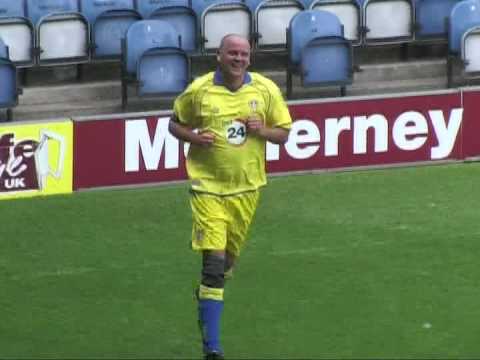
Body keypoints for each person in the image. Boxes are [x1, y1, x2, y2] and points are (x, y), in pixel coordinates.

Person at [169, 33, 292, 360]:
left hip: (247, 190)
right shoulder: (200, 90)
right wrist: (195, 137)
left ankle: (207, 297)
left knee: (227, 265)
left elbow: (283, 134)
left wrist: (261, 131)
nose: (238, 58)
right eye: (232, 53)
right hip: (207, 189)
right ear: (219, 56)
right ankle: (213, 347)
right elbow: (174, 125)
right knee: (213, 265)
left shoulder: (265, 90)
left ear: (249, 58)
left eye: (243, 54)